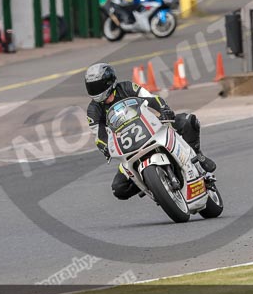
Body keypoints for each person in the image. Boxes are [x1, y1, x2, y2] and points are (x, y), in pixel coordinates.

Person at [85, 63, 216, 201]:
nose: (95, 90)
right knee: (118, 188)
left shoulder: (127, 87)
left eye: (97, 86)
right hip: (127, 146)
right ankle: (152, 184)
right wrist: (105, 146)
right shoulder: (93, 110)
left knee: (188, 120)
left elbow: (151, 98)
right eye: (91, 86)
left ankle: (198, 156)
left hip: (151, 127)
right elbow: (98, 135)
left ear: (109, 82)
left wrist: (163, 109)